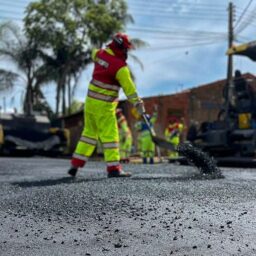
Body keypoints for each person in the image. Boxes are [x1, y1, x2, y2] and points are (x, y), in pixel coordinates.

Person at [67, 33, 145, 178]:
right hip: (104, 107)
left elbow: (93, 52)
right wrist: (138, 104)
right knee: (110, 136)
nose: (127, 52)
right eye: (126, 49)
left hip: (90, 104)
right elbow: (130, 89)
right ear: (121, 48)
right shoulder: (120, 67)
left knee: (88, 135)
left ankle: (75, 164)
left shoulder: (100, 54)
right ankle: (114, 168)